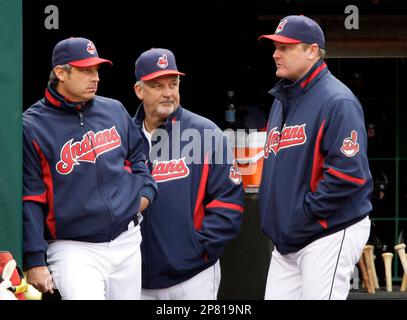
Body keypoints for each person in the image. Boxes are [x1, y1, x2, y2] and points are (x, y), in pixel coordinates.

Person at [23, 37, 157, 300]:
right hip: (74, 247)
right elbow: (31, 198)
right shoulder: (32, 125)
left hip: (126, 239)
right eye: (85, 70)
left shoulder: (114, 109)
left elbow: (139, 158)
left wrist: (144, 196)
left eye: (96, 69)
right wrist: (35, 260)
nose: (95, 77)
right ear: (61, 73)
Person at [258, 15, 373, 300]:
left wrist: (304, 213)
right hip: (288, 240)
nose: (276, 53)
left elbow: (348, 176)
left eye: (285, 47)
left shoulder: (337, 101)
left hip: (328, 232)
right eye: (275, 46)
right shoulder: (281, 100)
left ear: (312, 51)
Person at [132, 48, 244, 299]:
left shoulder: (206, 133)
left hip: (193, 276)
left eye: (173, 84)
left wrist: (200, 249)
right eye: (157, 85)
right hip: (135, 279)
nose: (168, 92)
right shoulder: (123, 136)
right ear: (139, 90)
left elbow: (230, 203)